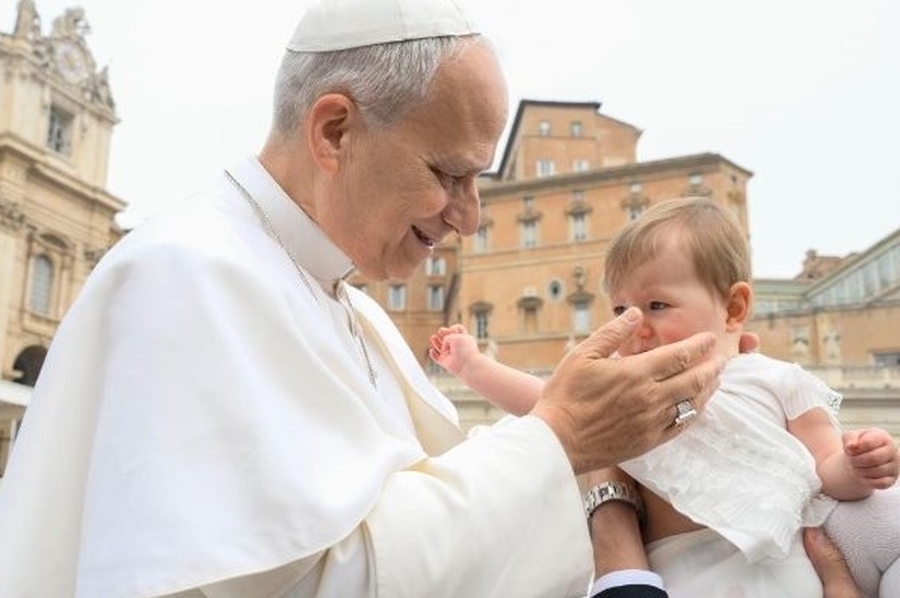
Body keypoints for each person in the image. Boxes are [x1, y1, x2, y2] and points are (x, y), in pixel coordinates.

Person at [0, 1, 729, 596]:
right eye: (449, 174)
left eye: (478, 182)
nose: (469, 217)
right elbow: (316, 582)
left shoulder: (355, 307)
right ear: (335, 131)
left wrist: (594, 457)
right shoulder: (185, 273)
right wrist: (561, 435)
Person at [430, 197, 900, 597]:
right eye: (620, 309)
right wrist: (474, 368)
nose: (633, 325)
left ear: (733, 307)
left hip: (786, 563)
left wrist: (860, 465)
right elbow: (549, 404)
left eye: (656, 305)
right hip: (677, 569)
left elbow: (826, 474)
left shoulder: (779, 379)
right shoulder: (629, 392)